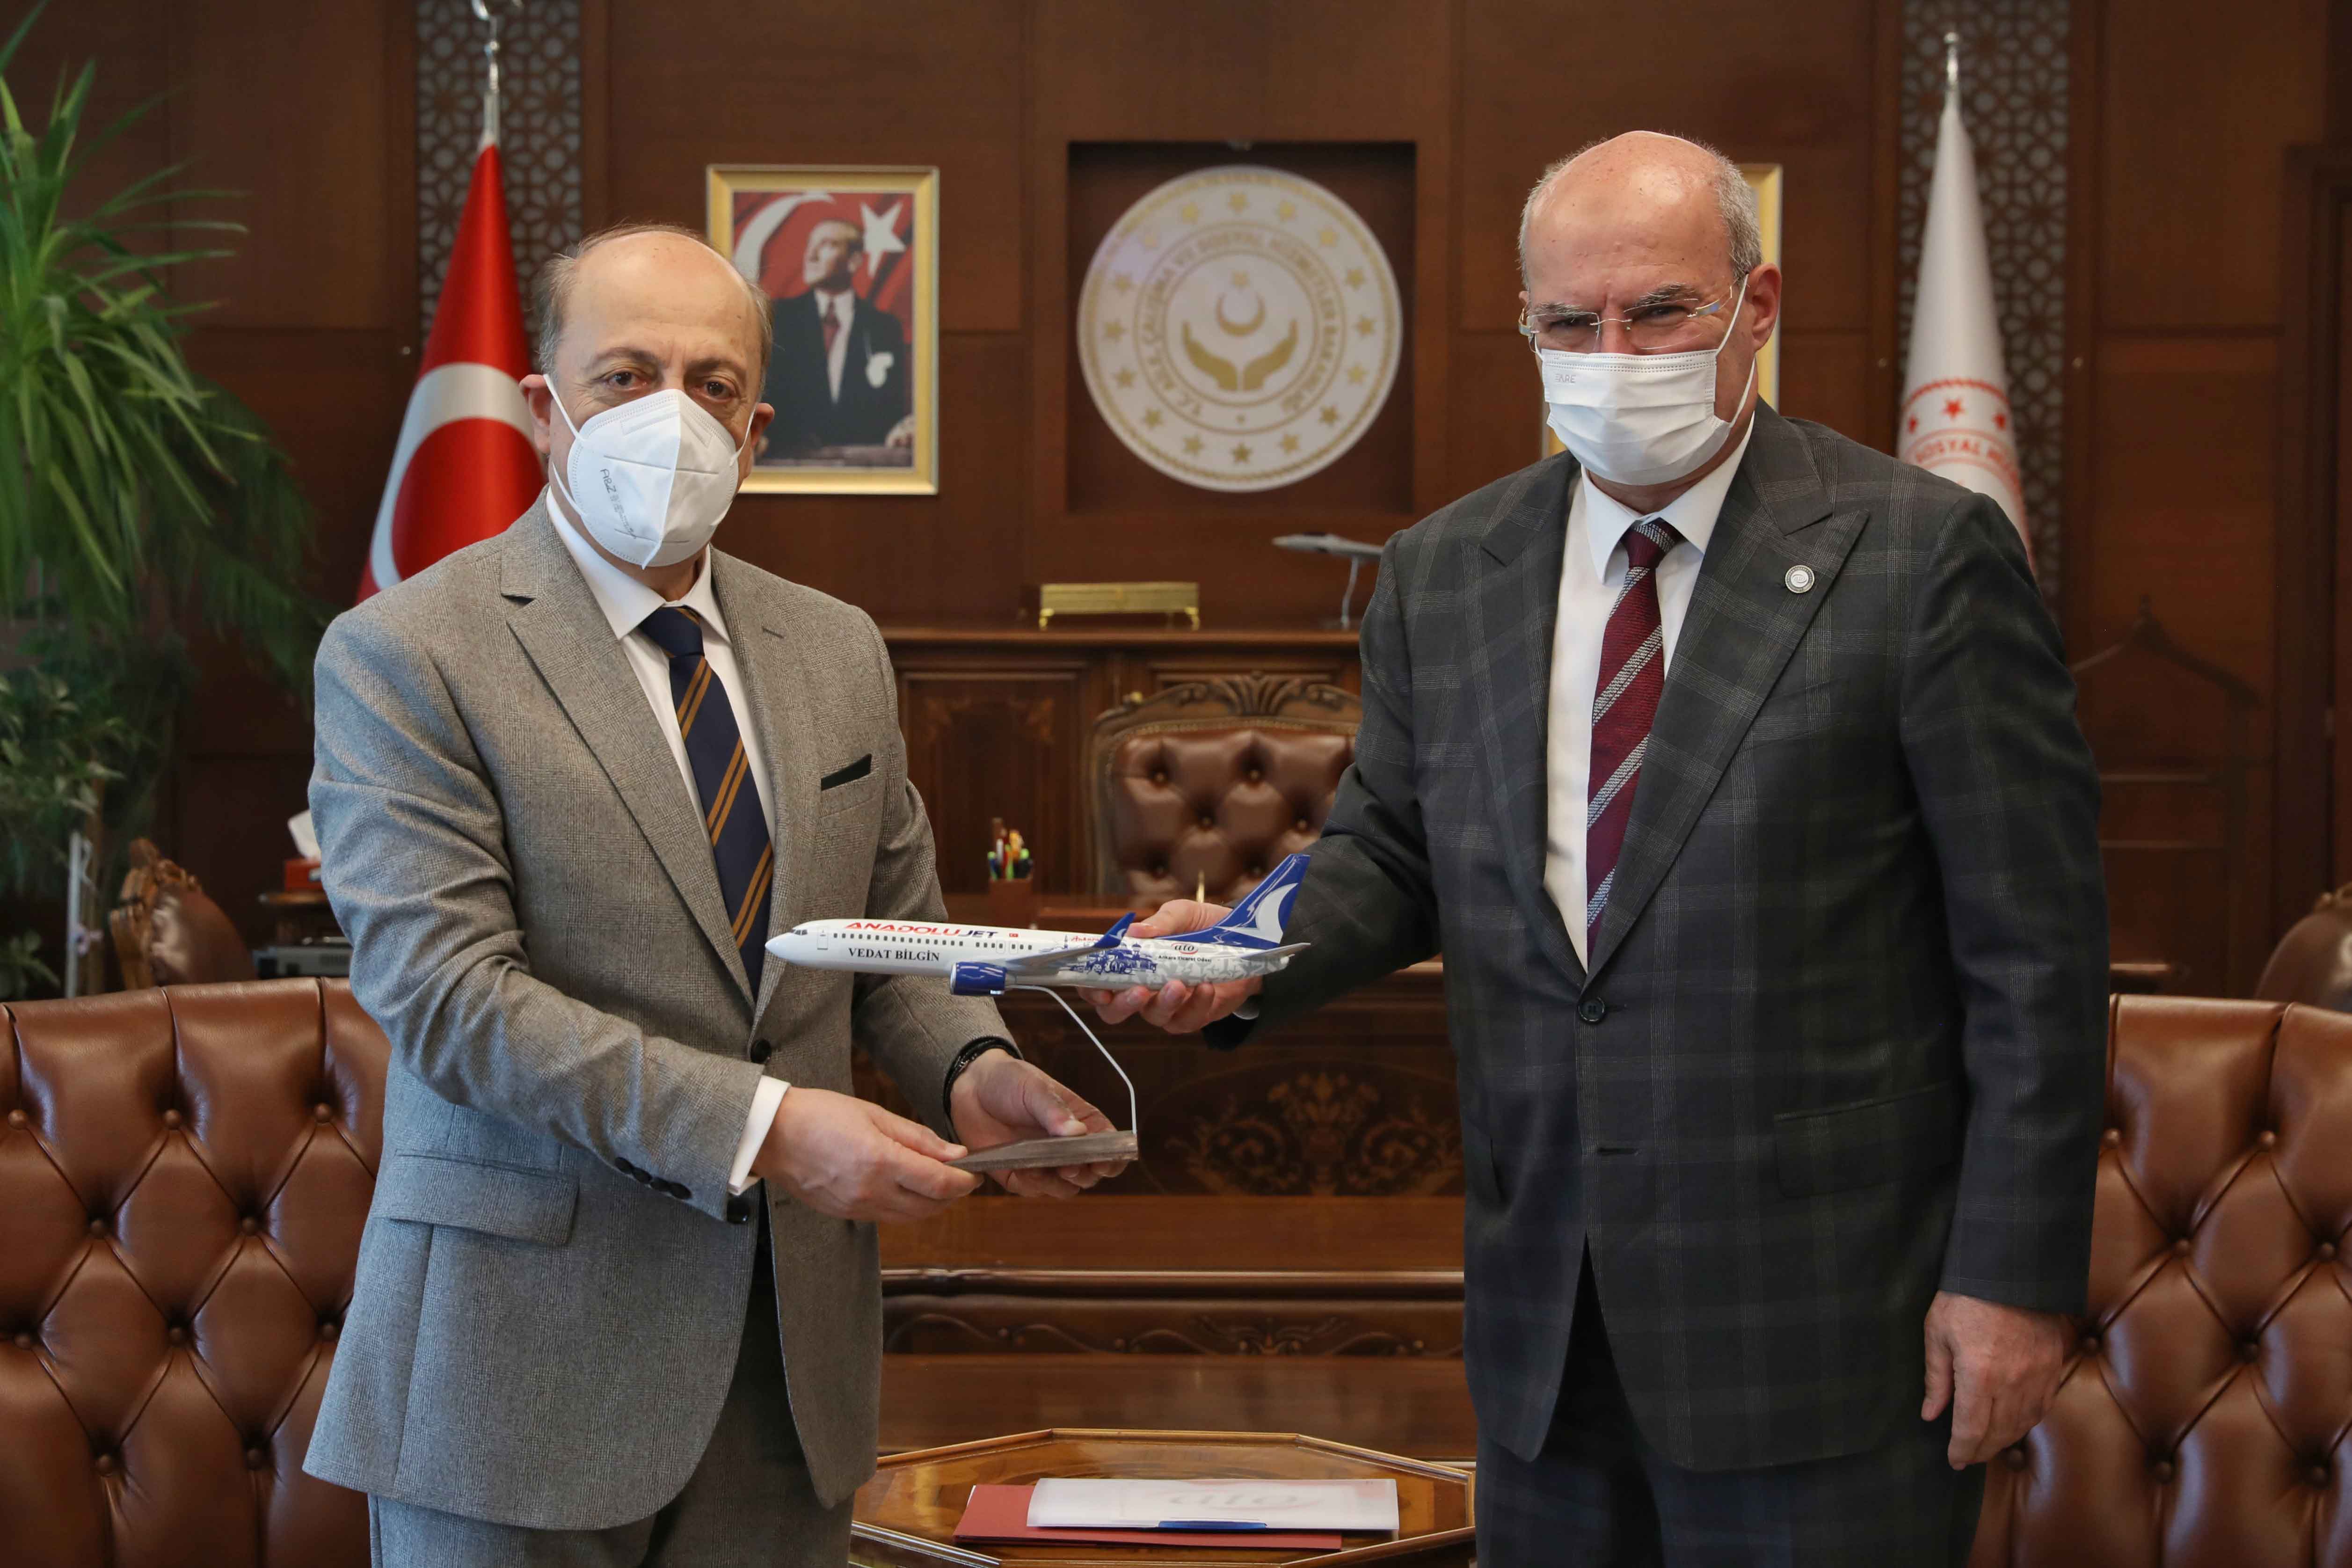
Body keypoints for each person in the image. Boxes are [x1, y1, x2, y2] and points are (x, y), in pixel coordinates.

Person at [1089, 133, 2107, 1567]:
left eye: (1658, 311)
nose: (1610, 354)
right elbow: (1392, 848)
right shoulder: (1447, 569)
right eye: (1569, 322)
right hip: (1546, 1328)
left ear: (1754, 308)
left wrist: (2011, 1279)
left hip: (1823, 1331)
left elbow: (2034, 961)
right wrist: (1243, 950)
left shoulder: (1919, 557)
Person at [304, 221, 1122, 1568]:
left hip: (785, 1371)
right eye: (626, 375)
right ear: (543, 406)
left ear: (756, 431)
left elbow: (896, 940)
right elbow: (447, 998)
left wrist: (974, 1068)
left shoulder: (835, 648)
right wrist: (766, 1125)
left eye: (713, 383)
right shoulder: (408, 651)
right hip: (513, 1373)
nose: (671, 412)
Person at [759, 218, 914, 456]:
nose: (811, 255)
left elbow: (894, 412)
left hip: (863, 466)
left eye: (826, 245)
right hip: (786, 463)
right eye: (810, 245)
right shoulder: (778, 319)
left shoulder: (884, 328)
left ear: (854, 261)